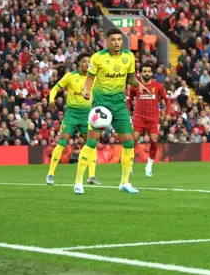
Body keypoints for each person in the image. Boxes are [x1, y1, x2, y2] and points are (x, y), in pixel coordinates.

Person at [74, 28, 151, 195]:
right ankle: (79, 181)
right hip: (101, 104)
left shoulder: (128, 57)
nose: (117, 43)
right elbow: (89, 79)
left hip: (119, 104)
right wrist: (86, 90)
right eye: (113, 40)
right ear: (107, 41)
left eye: (119, 39)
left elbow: (131, 79)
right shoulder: (98, 58)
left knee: (129, 142)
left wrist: (140, 86)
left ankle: (124, 182)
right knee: (92, 142)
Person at [46, 53, 100, 186]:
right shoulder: (70, 76)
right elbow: (54, 89)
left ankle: (91, 176)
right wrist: (51, 100)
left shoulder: (93, 78)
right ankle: (50, 174)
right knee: (63, 141)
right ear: (79, 63)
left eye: (89, 62)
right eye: (84, 61)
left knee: (91, 143)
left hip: (86, 114)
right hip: (71, 113)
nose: (87, 64)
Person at [127, 62, 171, 177]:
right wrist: (128, 112)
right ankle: (129, 163)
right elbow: (128, 100)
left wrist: (167, 113)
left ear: (152, 73)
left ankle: (149, 165)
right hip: (139, 117)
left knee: (154, 140)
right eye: (144, 71)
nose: (147, 73)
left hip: (153, 117)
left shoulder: (158, 86)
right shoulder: (135, 86)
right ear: (141, 73)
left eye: (149, 71)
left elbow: (167, 100)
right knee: (133, 140)